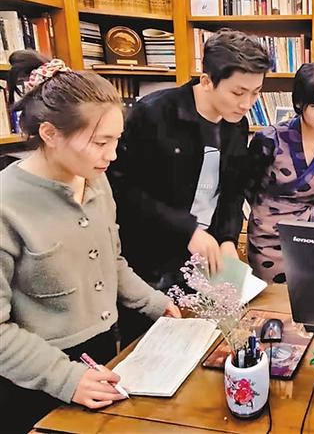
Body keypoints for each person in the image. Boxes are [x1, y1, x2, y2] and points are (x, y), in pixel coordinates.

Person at [0, 56, 180, 434]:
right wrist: (66, 378)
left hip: (102, 356)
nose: (112, 154)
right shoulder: (6, 205)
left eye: (116, 140)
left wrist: (155, 304)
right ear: (50, 134)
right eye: (100, 142)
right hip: (35, 380)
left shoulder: (95, 180)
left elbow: (111, 261)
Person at [107, 29, 271, 340]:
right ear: (207, 81)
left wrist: (227, 238)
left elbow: (233, 191)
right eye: (238, 92)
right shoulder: (154, 114)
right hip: (149, 263)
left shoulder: (237, 124)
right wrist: (187, 230)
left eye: (256, 92)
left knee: (209, 345)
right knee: (149, 350)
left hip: (203, 264)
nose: (247, 103)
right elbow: (122, 190)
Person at [246, 63, 314, 283]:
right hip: (266, 238)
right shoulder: (269, 140)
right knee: (271, 298)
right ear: (298, 102)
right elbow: (247, 187)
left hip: (308, 236)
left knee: (308, 295)